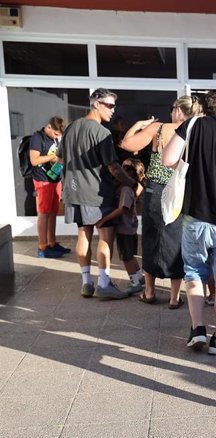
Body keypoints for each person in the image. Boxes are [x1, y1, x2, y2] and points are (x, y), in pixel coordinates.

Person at [162, 83, 216, 356]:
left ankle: (197, 328)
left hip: (195, 215)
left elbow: (168, 159)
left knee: (194, 272)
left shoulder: (195, 124)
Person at [57, 88, 141, 300]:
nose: (113, 111)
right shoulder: (101, 132)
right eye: (110, 105)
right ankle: (104, 282)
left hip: (74, 192)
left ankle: (86, 282)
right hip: (96, 193)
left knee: (83, 234)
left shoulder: (70, 128)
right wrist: (132, 183)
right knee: (106, 236)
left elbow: (59, 160)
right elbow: (113, 167)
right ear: (96, 103)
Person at [120, 95, 203, 308]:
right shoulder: (195, 132)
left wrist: (139, 125)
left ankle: (149, 291)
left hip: (155, 190)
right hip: (180, 192)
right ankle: (175, 297)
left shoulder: (158, 128)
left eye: (173, 108)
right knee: (176, 242)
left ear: (178, 111)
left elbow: (127, 144)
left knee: (150, 238)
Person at [95, 159, 146, 295]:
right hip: (128, 228)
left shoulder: (125, 189)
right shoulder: (125, 189)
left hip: (125, 228)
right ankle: (139, 278)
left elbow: (122, 208)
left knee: (126, 256)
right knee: (130, 255)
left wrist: (104, 219)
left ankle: (135, 283)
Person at [29, 116, 70, 258]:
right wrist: (52, 157)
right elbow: (34, 160)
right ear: (49, 127)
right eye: (56, 134)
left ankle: (52, 243)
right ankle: (42, 247)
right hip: (43, 180)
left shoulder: (54, 139)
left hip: (55, 178)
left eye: (60, 135)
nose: (58, 137)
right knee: (44, 213)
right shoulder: (37, 137)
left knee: (53, 212)